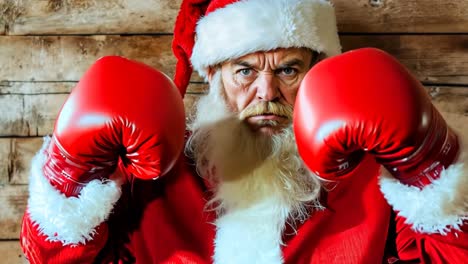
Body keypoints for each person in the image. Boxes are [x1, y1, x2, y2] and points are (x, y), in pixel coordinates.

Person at [20, 0, 468, 263]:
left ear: (317, 72)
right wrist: (70, 170)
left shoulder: (372, 180)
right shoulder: (150, 175)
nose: (266, 91)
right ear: (213, 74)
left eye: (288, 70)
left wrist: (430, 165)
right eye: (244, 70)